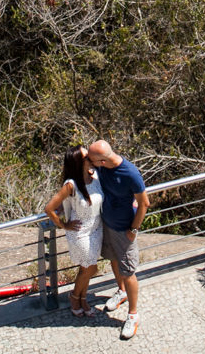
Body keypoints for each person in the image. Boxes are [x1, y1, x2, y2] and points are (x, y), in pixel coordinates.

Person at [86, 138, 148, 340]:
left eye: (93, 160)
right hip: (108, 224)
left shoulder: (130, 173)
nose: (91, 162)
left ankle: (133, 314)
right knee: (113, 259)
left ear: (102, 161)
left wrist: (134, 229)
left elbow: (144, 203)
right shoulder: (102, 167)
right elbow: (83, 156)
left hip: (124, 229)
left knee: (128, 272)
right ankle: (120, 291)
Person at [43, 145, 103, 317]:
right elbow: (49, 208)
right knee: (90, 268)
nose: (90, 158)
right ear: (78, 162)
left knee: (89, 269)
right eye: (86, 156)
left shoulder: (96, 176)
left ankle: (82, 298)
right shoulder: (71, 185)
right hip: (80, 232)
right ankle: (75, 297)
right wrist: (63, 225)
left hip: (96, 229)